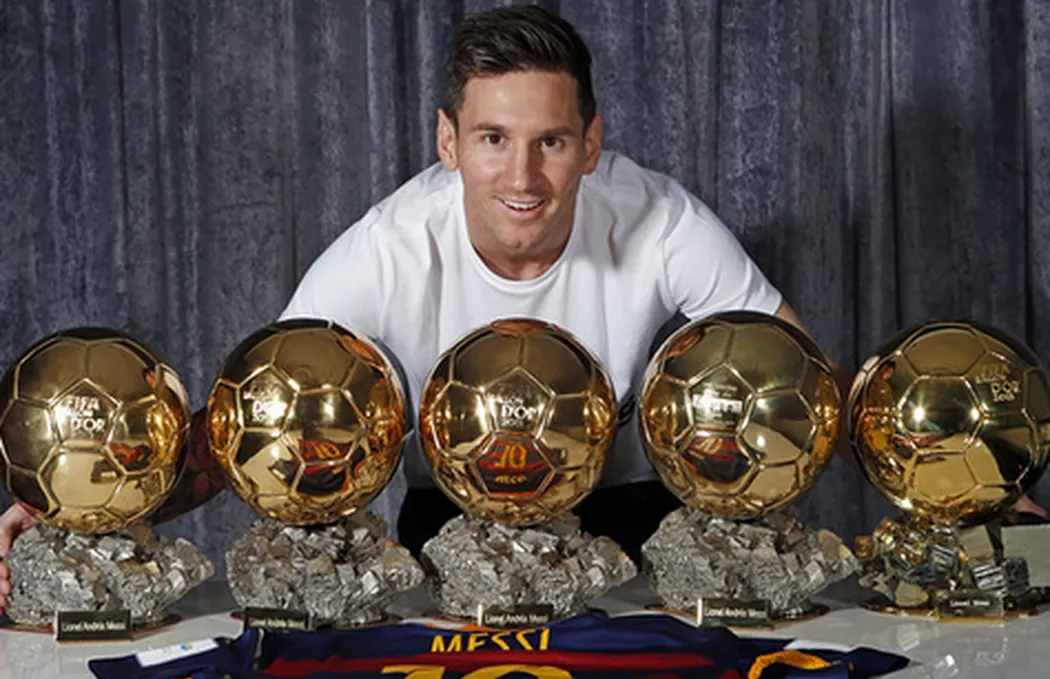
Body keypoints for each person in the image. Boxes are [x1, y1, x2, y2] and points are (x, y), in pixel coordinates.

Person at [0, 5, 1043, 612]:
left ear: (592, 143)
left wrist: (957, 491)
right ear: (448, 141)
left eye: (551, 141)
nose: (523, 176)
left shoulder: (660, 217)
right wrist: (95, 507)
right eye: (493, 140)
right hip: (452, 525)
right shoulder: (385, 249)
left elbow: (806, 392)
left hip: (638, 517)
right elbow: (250, 435)